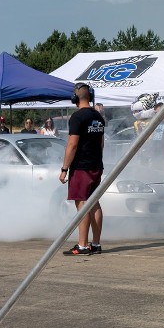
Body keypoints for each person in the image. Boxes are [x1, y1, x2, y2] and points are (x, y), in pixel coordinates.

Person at [60, 83, 105, 256]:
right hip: (96, 165)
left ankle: (82, 245)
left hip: (81, 167)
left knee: (82, 203)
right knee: (94, 203)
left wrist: (64, 169)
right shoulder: (98, 116)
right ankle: (96, 243)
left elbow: (72, 145)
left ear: (75, 98)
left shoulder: (78, 117)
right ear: (90, 97)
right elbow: (101, 143)